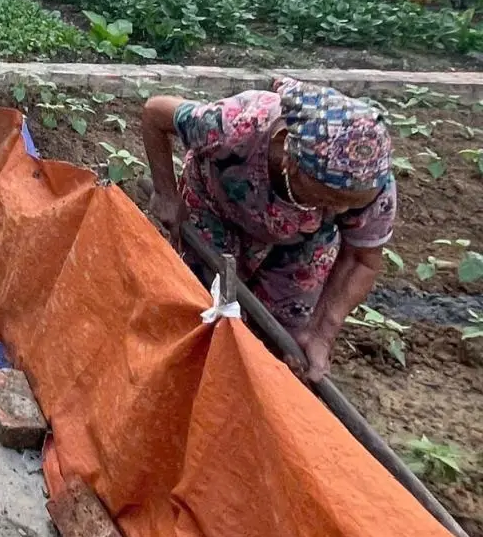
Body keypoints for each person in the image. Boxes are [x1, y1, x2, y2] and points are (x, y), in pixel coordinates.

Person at [141, 76, 395, 383]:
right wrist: (167, 195)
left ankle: (255, 393)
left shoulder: (368, 184)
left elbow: (360, 259)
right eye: (328, 197)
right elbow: (155, 112)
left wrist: (321, 334)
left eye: (352, 204)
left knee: (285, 337)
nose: (341, 211)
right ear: (290, 159)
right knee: (204, 304)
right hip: (217, 206)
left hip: (304, 237)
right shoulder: (233, 127)